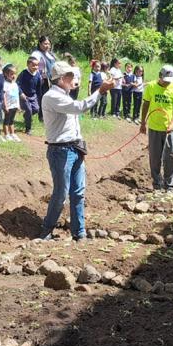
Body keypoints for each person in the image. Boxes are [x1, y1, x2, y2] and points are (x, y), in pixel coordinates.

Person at [38, 62, 114, 240]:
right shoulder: (52, 96)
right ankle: (47, 229)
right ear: (61, 79)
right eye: (71, 77)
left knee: (78, 192)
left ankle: (79, 233)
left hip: (74, 147)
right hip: (61, 151)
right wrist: (100, 90)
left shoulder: (64, 96)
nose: (74, 80)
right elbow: (80, 108)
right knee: (61, 193)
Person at [140, 65, 173, 192]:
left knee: (169, 155)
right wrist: (142, 123)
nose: (166, 83)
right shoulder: (151, 87)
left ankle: (169, 184)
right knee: (154, 156)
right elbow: (145, 104)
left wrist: (172, 124)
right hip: (154, 127)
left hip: (169, 129)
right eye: (165, 79)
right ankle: (157, 182)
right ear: (160, 75)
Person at [30, 36, 57, 122]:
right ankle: (41, 117)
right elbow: (32, 66)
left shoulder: (50, 55)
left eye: (48, 44)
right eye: (45, 43)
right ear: (40, 44)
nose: (47, 46)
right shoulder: (36, 54)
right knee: (42, 98)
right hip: (42, 80)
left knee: (50, 98)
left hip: (52, 80)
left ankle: (49, 116)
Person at [18, 57, 42, 135]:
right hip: (24, 96)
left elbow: (38, 86)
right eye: (33, 65)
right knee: (29, 110)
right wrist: (21, 93)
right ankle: (28, 129)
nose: (36, 67)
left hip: (33, 95)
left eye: (37, 65)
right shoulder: (23, 73)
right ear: (28, 65)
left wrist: (39, 96)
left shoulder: (37, 74)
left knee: (36, 109)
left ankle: (26, 116)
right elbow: (17, 84)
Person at [1, 64, 21, 142]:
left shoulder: (15, 84)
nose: (14, 76)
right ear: (6, 74)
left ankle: (12, 133)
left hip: (14, 105)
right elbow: (4, 96)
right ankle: (6, 135)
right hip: (8, 105)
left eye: (15, 74)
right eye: (11, 74)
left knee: (12, 120)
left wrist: (18, 105)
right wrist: (5, 105)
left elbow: (17, 95)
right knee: (6, 120)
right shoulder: (5, 84)